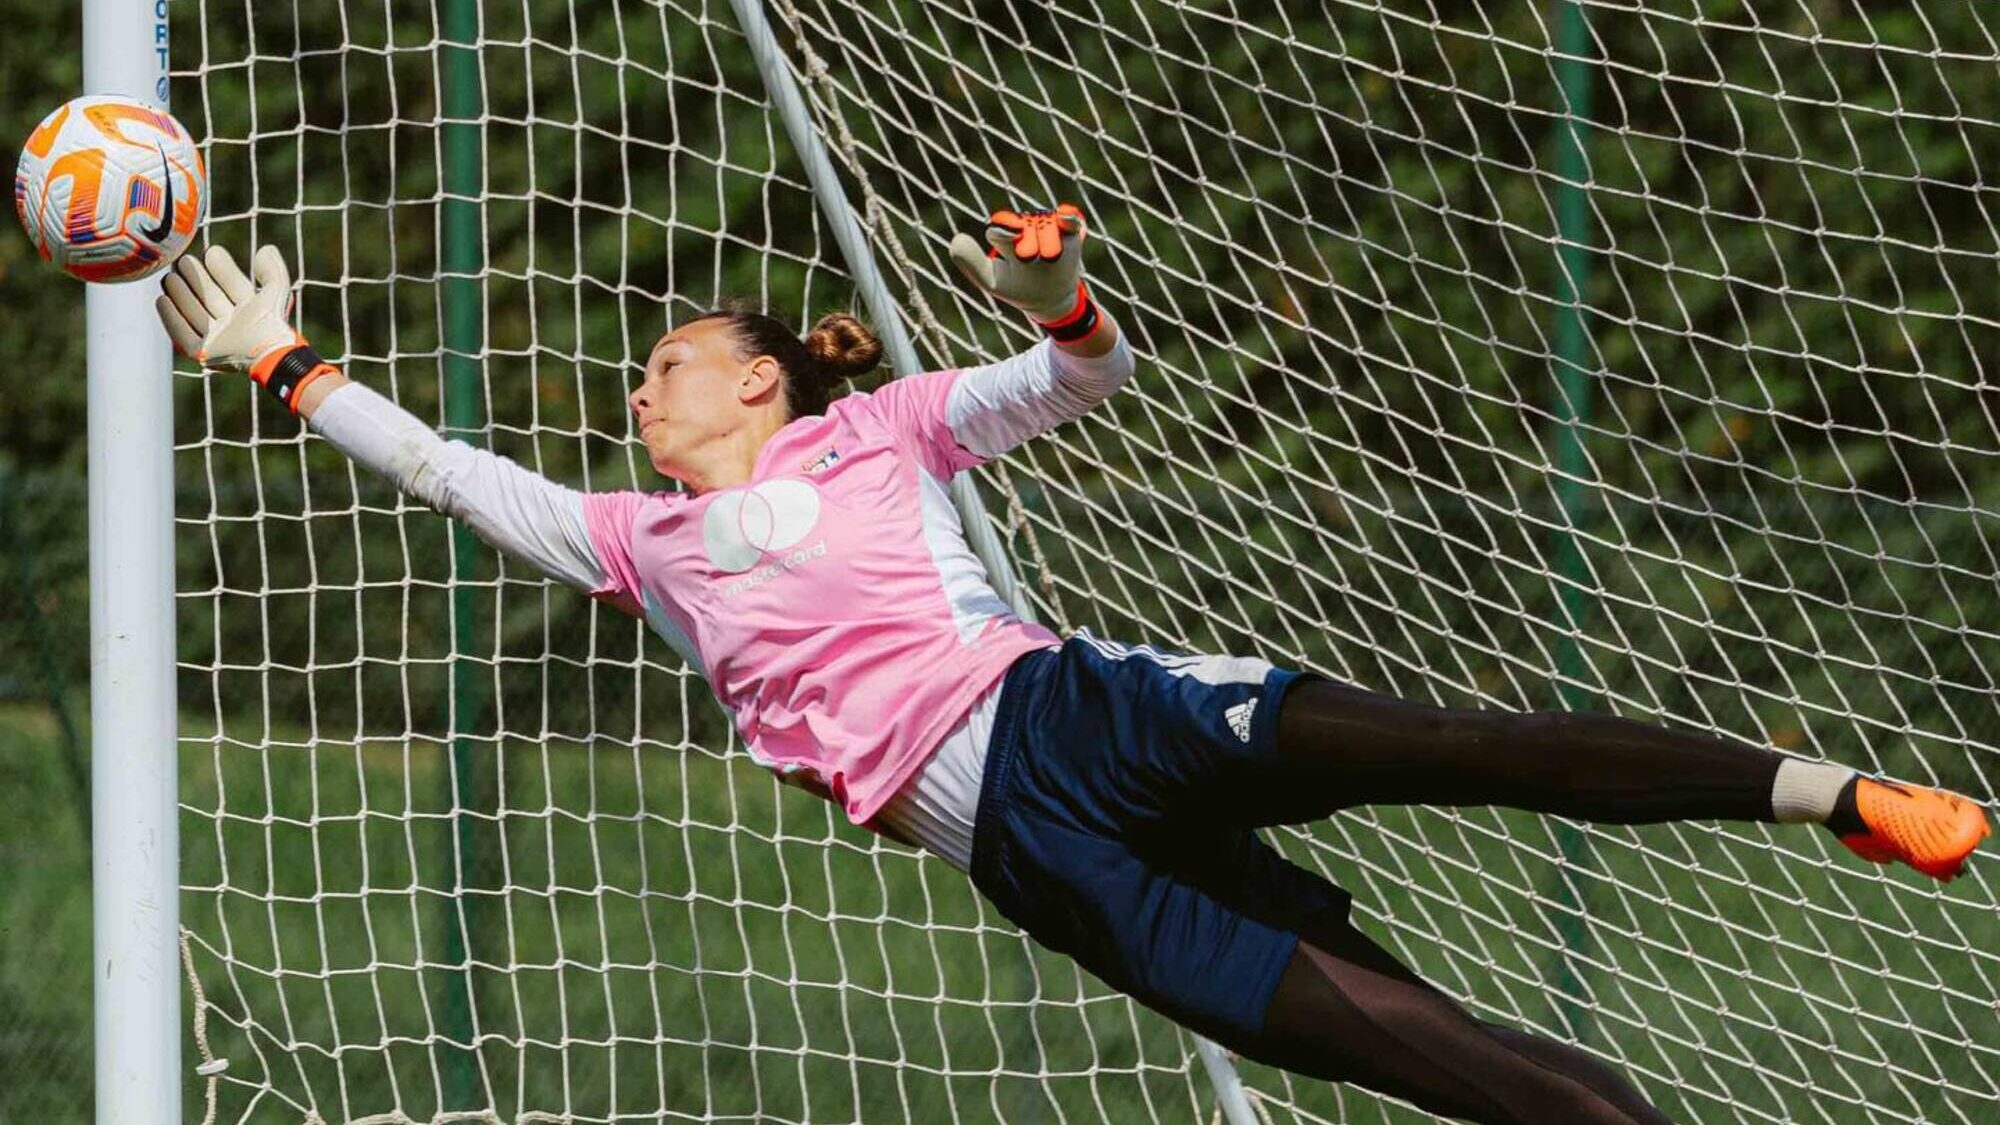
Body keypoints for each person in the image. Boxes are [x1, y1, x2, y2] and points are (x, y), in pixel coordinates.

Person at [156, 203, 1990, 1125]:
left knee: (1456, 742)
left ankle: (1828, 792)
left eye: (665, 362)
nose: (639, 391)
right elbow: (457, 477)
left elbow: (1080, 379)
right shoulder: (640, 545)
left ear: (758, 382)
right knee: (1425, 1053)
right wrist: (287, 366)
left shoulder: (872, 432)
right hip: (1033, 854)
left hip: (1078, 710)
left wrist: (1059, 301)